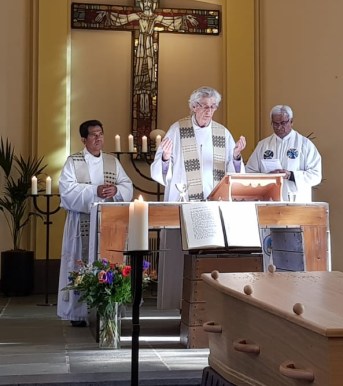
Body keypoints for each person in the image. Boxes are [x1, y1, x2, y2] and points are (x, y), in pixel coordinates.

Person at [150, 86, 246, 309]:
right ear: (193, 106)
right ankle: (179, 303)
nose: (209, 111)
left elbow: (234, 174)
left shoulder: (223, 133)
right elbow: (160, 170)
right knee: (181, 255)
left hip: (214, 208)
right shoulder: (177, 130)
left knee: (210, 256)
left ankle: (209, 305)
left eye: (213, 107)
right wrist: (165, 158)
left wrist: (236, 157)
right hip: (184, 205)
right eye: (204, 106)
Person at [57, 120, 133, 326]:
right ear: (84, 139)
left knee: (108, 262)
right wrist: (95, 191)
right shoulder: (73, 162)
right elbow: (67, 191)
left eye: (101, 134)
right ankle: (78, 313)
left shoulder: (112, 161)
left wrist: (116, 190)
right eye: (93, 135)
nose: (98, 138)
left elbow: (127, 185)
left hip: (108, 222)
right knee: (81, 262)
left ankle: (108, 309)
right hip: (81, 222)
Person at [245, 105, 322, 202]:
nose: (279, 127)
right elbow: (250, 172)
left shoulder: (304, 144)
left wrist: (291, 175)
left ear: (291, 121)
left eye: (283, 123)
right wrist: (267, 176)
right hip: (269, 201)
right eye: (275, 123)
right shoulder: (263, 145)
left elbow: (316, 175)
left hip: (297, 201)